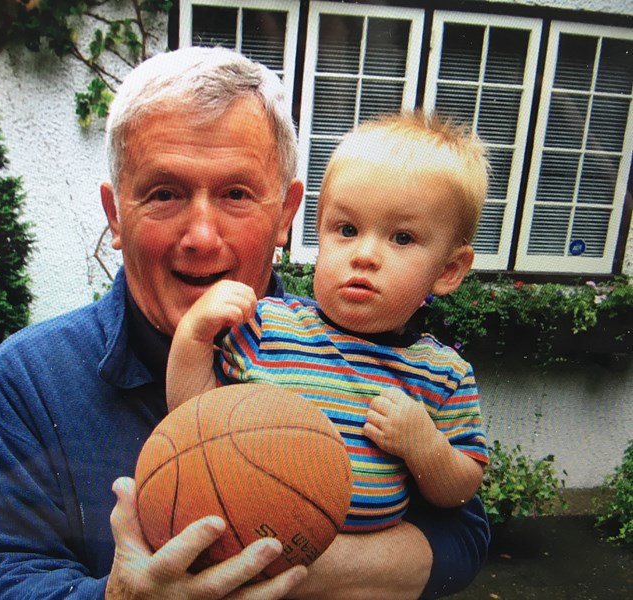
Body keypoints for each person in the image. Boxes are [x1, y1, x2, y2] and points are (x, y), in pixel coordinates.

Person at [0, 46, 491, 600]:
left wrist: (293, 563)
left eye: (236, 194)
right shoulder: (27, 382)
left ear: (285, 214)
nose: (202, 237)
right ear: (115, 217)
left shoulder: (371, 353)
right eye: (165, 194)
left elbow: (464, 536)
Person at [167, 112, 490, 535]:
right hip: (239, 537)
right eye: (347, 229)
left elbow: (462, 488)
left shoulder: (442, 374)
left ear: (449, 269)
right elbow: (191, 416)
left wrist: (424, 446)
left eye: (402, 238)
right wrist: (193, 334)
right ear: (318, 234)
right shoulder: (267, 325)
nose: (365, 255)